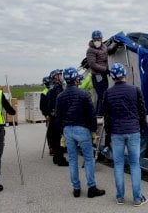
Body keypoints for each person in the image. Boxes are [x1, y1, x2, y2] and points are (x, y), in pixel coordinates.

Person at [103, 63, 148, 207]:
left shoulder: (108, 93)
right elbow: (142, 112)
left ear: (112, 77)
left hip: (116, 132)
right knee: (135, 164)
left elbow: (107, 117)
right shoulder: (135, 90)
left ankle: (120, 197)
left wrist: (108, 136)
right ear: (125, 74)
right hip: (133, 131)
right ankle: (137, 198)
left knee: (118, 164)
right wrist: (143, 128)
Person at [56, 67, 106, 198]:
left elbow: (59, 117)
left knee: (72, 160)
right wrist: (94, 129)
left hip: (67, 130)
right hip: (82, 129)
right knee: (88, 159)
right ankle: (91, 188)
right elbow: (91, 114)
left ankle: (76, 189)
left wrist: (62, 131)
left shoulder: (60, 96)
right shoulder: (84, 94)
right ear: (76, 79)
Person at [47, 69, 68, 166]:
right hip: (57, 116)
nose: (61, 76)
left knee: (54, 138)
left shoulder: (52, 88)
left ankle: (56, 157)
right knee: (58, 138)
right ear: (56, 77)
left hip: (52, 115)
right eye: (60, 74)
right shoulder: (58, 88)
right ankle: (60, 159)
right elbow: (60, 102)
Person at [86, 30, 109, 116]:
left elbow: (108, 51)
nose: (97, 41)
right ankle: (99, 114)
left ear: (102, 39)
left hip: (103, 74)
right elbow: (92, 64)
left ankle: (102, 112)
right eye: (95, 39)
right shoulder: (90, 50)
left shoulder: (104, 47)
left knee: (104, 93)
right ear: (92, 39)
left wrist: (115, 46)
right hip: (97, 75)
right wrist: (105, 69)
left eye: (99, 39)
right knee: (101, 94)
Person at [40, 76, 52, 155]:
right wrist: (46, 115)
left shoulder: (53, 90)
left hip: (54, 114)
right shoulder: (44, 93)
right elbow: (42, 106)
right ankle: (51, 147)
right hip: (48, 115)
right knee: (50, 132)